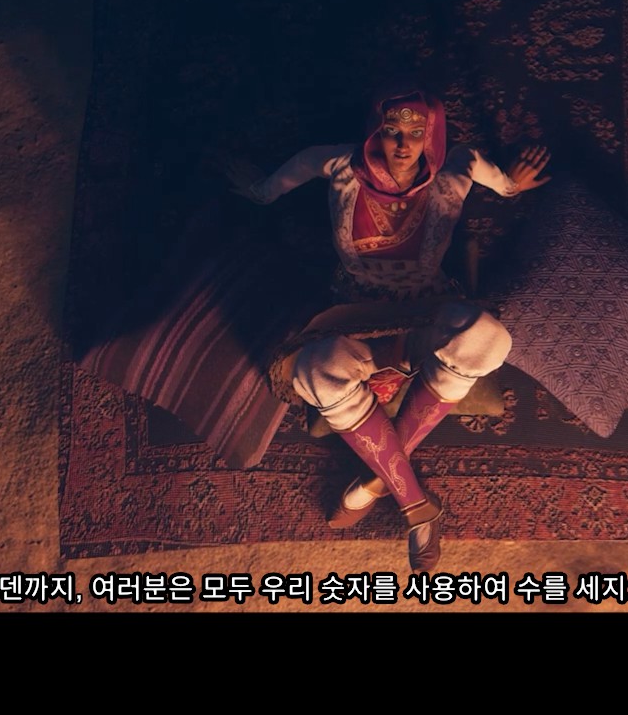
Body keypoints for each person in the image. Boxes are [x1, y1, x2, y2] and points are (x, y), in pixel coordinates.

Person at [224, 87, 551, 571]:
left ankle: (378, 482)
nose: (402, 144)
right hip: (354, 311)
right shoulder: (338, 164)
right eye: (391, 130)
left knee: (489, 337)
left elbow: (503, 185)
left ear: (431, 135)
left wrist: (513, 184)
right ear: (375, 132)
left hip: (427, 307)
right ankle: (416, 505)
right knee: (314, 370)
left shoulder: (459, 166)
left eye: (415, 133)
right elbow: (283, 180)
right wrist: (256, 189)